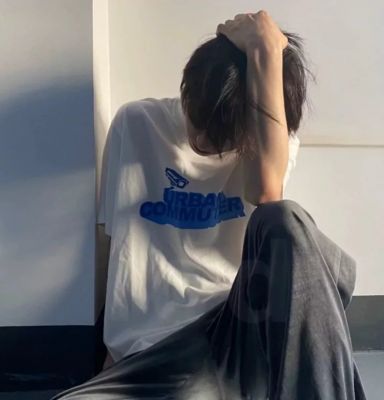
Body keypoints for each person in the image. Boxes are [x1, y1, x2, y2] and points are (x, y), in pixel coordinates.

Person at [50, 10, 367, 400]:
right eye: (195, 120)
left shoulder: (268, 149)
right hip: (154, 355)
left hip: (234, 332)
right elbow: (114, 246)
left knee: (285, 219)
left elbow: (267, 194)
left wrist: (267, 48)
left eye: (221, 139)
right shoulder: (137, 123)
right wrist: (109, 356)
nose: (200, 141)